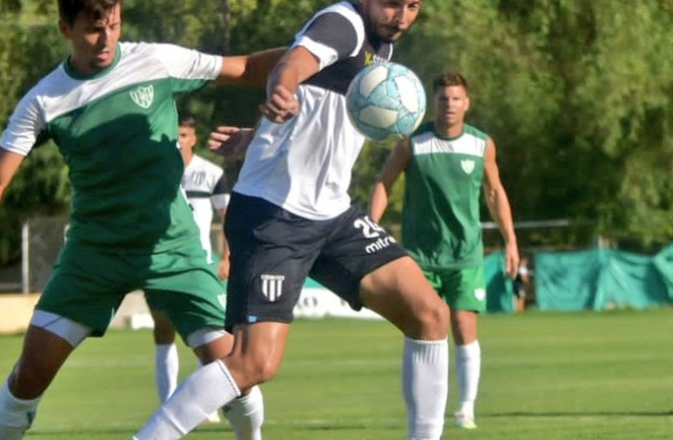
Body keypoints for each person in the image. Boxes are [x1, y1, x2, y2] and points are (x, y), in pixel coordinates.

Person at [0, 1, 284, 439]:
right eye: (93, 30)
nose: (106, 39)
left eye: (114, 25)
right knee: (30, 374)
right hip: (93, 255)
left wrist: (316, 56)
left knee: (234, 370)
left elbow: (246, 66)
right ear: (65, 28)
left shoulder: (157, 61)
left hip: (173, 248)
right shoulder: (45, 99)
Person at [134, 1, 453, 440]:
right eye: (393, 3)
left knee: (429, 313)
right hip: (274, 215)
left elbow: (321, 110)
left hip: (332, 214)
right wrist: (280, 90)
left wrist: (260, 136)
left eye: (413, 5)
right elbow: (292, 65)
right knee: (253, 363)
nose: (401, 15)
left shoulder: (382, 48)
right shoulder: (343, 24)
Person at [369, 72, 519, 430]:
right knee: (422, 330)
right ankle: (423, 412)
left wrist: (511, 240)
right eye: (442, 99)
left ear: (466, 103)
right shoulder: (412, 143)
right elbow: (383, 183)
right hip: (420, 259)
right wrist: (369, 228)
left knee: (465, 327)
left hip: (465, 255)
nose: (449, 105)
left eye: (455, 99)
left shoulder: (482, 145)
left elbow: (495, 193)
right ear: (432, 103)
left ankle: (466, 407)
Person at [148, 113, 232, 424]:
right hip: (162, 263)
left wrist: (227, 258)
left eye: (184, 134)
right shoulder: (156, 173)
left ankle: (204, 402)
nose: (179, 140)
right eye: (175, 135)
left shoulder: (210, 173)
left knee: (213, 332)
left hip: (203, 264)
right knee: (163, 330)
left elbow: (228, 217)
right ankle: (168, 402)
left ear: (193, 138)